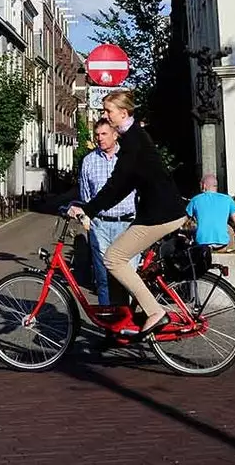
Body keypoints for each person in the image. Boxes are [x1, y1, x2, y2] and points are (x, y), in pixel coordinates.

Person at [67, 90, 187, 339]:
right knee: (116, 269)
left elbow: (117, 187)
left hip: (161, 213)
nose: (104, 115)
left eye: (108, 111)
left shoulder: (133, 143)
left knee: (113, 258)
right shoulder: (133, 138)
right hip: (156, 211)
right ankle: (123, 324)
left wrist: (87, 208)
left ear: (123, 113)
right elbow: (121, 186)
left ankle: (155, 312)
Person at [77, 118, 136, 306]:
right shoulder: (88, 162)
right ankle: (109, 328)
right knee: (103, 278)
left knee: (128, 278)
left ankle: (128, 324)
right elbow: (86, 195)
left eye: (104, 134)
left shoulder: (128, 157)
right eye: (97, 134)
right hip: (100, 225)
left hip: (127, 224)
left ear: (115, 135)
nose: (99, 138)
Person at [186, 173, 235, 248]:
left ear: (204, 185)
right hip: (222, 242)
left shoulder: (195, 200)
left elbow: (185, 221)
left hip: (201, 242)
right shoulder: (228, 199)